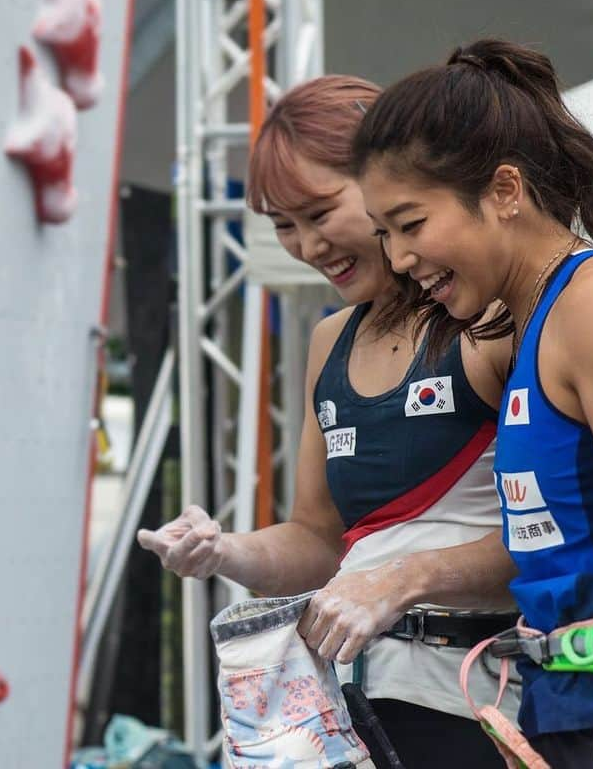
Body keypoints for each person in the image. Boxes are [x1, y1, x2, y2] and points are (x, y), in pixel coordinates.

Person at [137, 75, 520, 768]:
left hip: (482, 705)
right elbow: (318, 540)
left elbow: (570, 538)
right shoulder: (330, 340)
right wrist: (222, 550)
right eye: (283, 224)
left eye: (319, 212)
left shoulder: (491, 324)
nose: (308, 246)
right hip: (344, 714)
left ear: (384, 183)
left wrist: (404, 579)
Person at [349, 39, 593, 768]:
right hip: (565, 710)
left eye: (411, 225)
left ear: (505, 190)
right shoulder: (530, 324)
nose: (401, 260)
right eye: (384, 234)